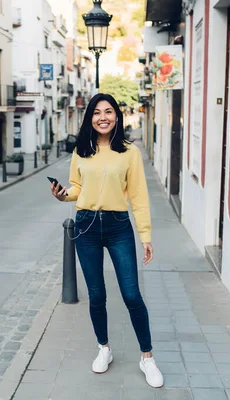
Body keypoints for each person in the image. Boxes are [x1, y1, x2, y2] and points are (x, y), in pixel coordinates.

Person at [50, 93, 163, 388]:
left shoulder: (129, 153)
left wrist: (145, 235)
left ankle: (147, 357)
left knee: (131, 295)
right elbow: (76, 187)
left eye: (109, 111)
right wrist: (64, 195)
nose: (103, 117)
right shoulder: (81, 150)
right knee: (97, 295)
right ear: (90, 117)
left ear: (116, 116)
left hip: (117, 227)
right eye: (97, 112)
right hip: (86, 226)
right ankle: (104, 348)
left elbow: (138, 196)